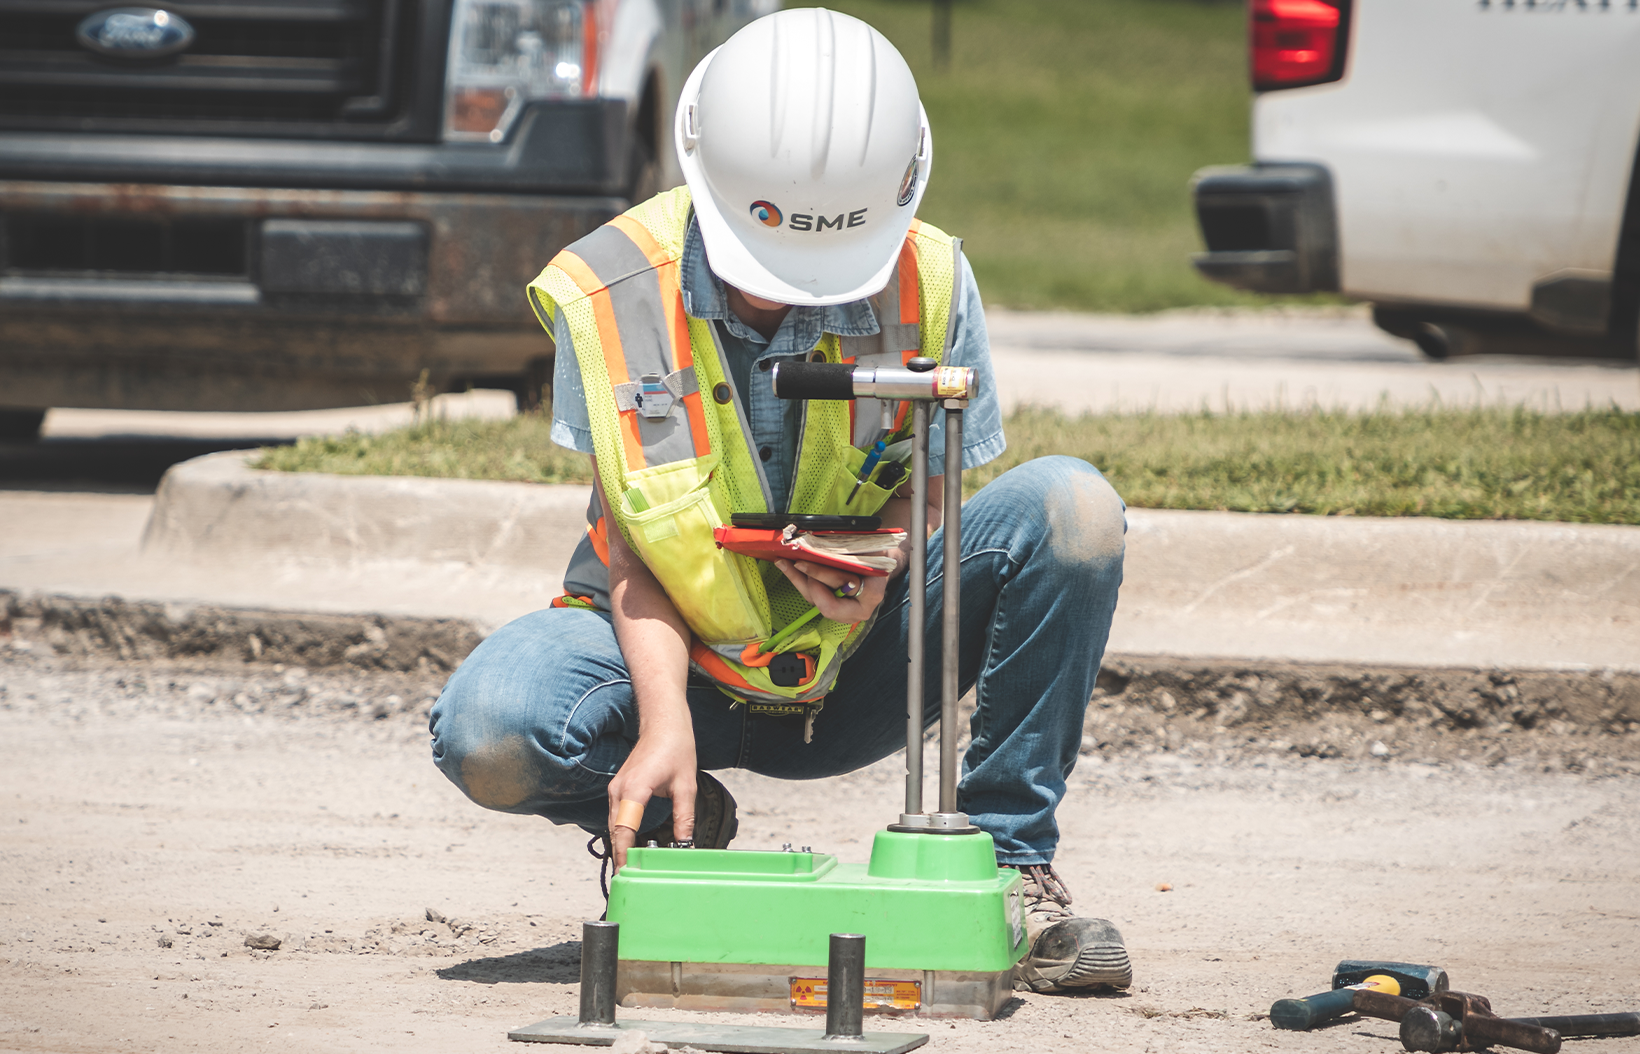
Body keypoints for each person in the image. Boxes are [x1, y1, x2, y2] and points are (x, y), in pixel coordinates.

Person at [428, 8, 1131, 993]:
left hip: (861, 664)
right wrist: (666, 720)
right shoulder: (612, 292)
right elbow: (633, 539)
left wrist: (884, 561)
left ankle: (1010, 867)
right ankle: (685, 818)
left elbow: (933, 494)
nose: (788, 295)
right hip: (671, 662)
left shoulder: (931, 275)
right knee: (490, 728)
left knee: (1074, 510)